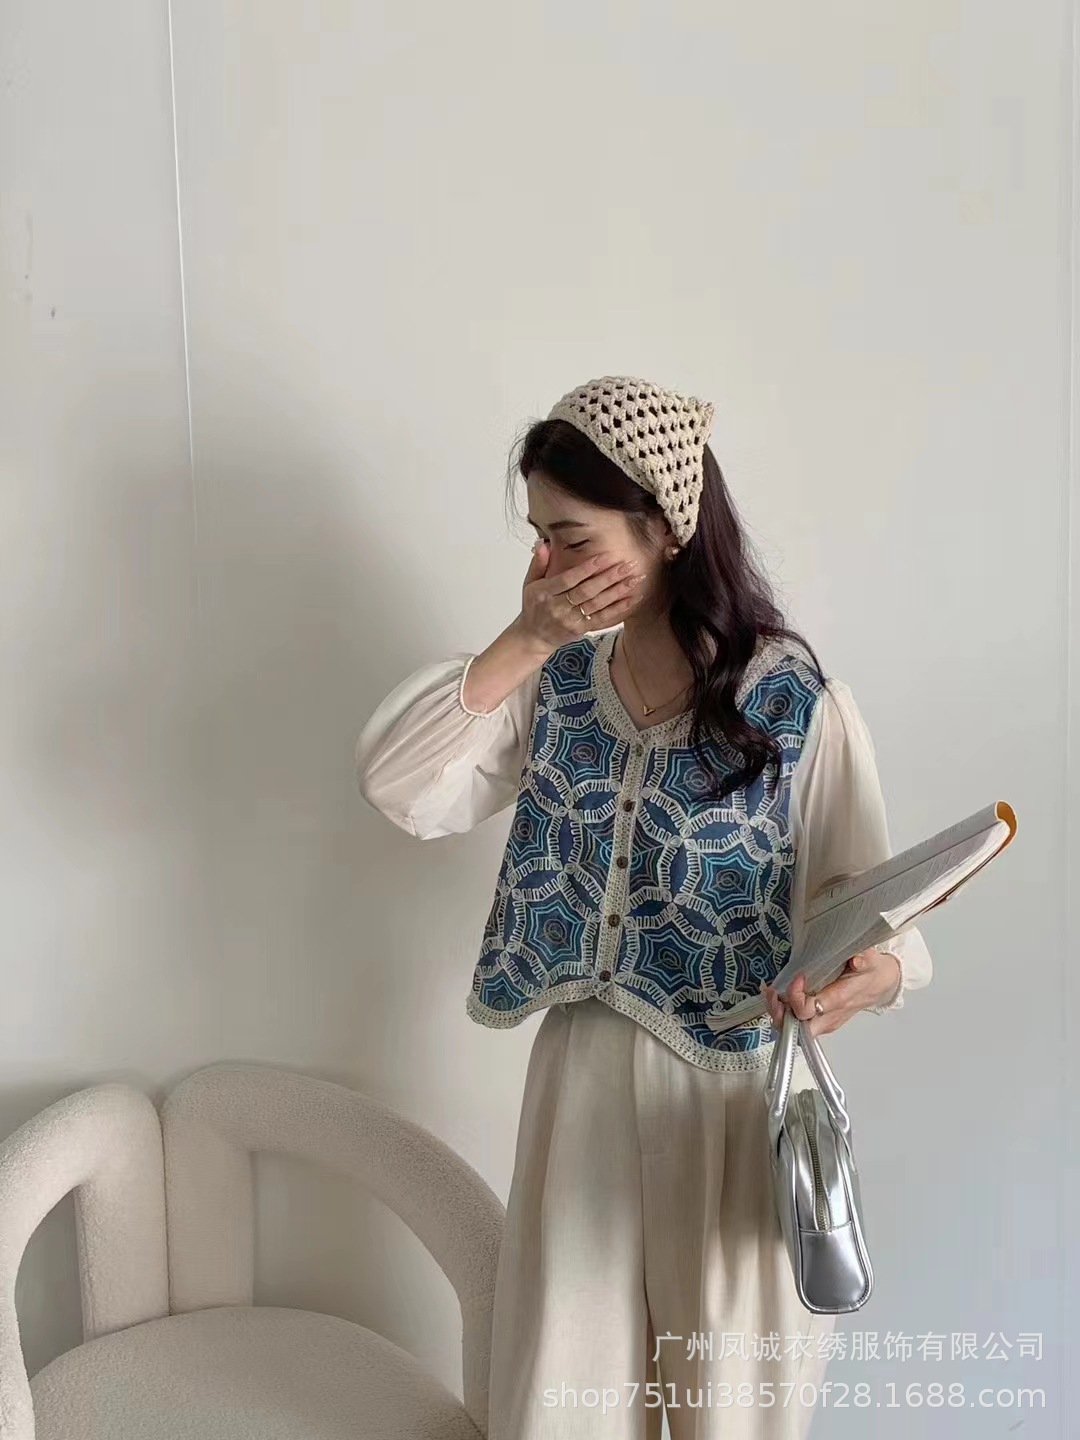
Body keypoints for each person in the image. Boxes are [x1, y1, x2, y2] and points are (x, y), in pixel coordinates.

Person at [354, 375, 933, 1440]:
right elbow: (398, 783)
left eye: (571, 539)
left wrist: (874, 972)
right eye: (538, 540)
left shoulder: (791, 700)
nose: (547, 568)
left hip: (731, 1107)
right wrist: (523, 639)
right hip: (579, 1098)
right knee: (558, 1411)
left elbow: (875, 910)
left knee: (729, 1414)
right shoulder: (552, 689)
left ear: (666, 527)